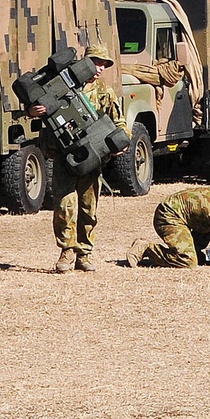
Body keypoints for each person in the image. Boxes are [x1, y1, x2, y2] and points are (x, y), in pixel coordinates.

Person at [27, 44, 128, 273]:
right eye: (96, 62)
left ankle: (85, 253)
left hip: (92, 158)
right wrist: (32, 111)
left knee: (88, 207)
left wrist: (121, 144)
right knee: (64, 205)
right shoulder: (60, 84)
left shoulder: (104, 92)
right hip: (64, 156)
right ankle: (67, 251)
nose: (100, 68)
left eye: (104, 64)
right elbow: (33, 105)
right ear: (85, 62)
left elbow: (120, 123)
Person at [126, 188, 210, 268]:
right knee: (188, 260)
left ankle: (193, 251)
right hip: (169, 216)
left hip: (186, 217)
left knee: (198, 255)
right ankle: (147, 248)